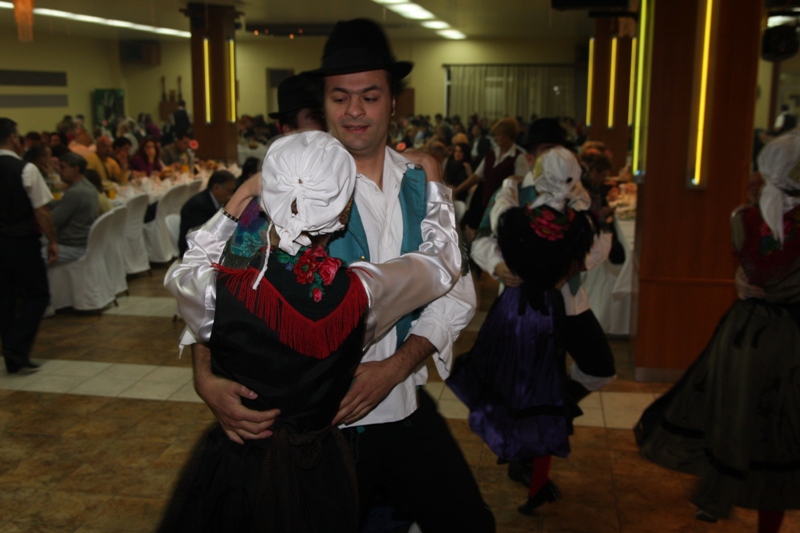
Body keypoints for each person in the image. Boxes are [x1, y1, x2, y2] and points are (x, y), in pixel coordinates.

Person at [179, 18, 494, 532]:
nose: (354, 111)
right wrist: (205, 378)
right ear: (323, 104)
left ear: (393, 102)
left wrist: (395, 367)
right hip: (316, 428)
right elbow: (221, 284)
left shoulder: (420, 183)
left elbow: (455, 292)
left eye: (370, 96)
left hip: (401, 403)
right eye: (340, 97)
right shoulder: (284, 187)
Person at [161, 131, 461, 531]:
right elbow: (443, 262)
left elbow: (192, 259)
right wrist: (436, 182)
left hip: (238, 461)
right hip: (317, 462)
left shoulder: (214, 291)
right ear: (343, 212)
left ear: (269, 198)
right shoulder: (362, 294)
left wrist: (241, 197)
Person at [635, 130, 800, 533]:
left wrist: (746, 281)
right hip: (787, 334)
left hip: (747, 331)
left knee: (738, 418)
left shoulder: (744, 217)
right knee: (779, 430)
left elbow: (752, 274)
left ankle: (721, 493)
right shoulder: (751, 218)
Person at [0, 118, 57, 374]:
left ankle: (13, 355)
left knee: (5, 299)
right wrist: (52, 240)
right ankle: (16, 346)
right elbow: (42, 211)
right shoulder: (25, 169)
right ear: (14, 138)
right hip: (20, 241)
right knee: (38, 294)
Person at [51, 152, 99, 264]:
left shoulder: (76, 192)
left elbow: (53, 221)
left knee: (30, 253)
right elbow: (62, 205)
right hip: (83, 241)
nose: (59, 171)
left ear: (76, 169)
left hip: (72, 246)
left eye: (62, 167)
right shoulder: (88, 186)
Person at [178, 170, 236, 257]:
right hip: (193, 251)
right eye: (228, 190)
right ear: (216, 187)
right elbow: (203, 236)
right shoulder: (198, 205)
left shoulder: (218, 200)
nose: (231, 194)